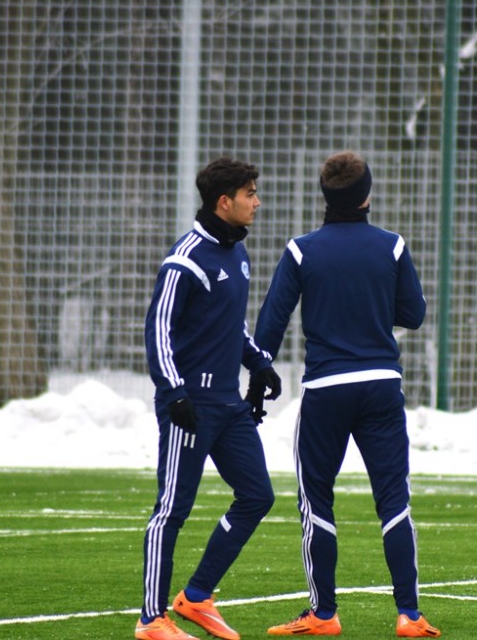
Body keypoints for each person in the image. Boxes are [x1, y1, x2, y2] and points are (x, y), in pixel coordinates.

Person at [250, 151, 441, 637]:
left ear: (325, 197)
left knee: (316, 499)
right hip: (381, 386)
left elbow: (271, 322)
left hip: (326, 390)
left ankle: (324, 613)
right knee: (393, 497)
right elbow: (414, 314)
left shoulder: (301, 251)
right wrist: (370, 307)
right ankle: (409, 614)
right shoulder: (392, 246)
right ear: (366, 195)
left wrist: (258, 377)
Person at [136, 156, 283, 640]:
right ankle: (151, 619)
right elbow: (157, 329)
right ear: (225, 202)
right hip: (191, 408)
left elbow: (230, 325)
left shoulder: (237, 253)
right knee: (172, 509)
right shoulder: (185, 259)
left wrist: (258, 363)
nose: (257, 202)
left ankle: (197, 596)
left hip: (229, 405)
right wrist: (173, 393)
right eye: (250, 194)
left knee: (258, 496)